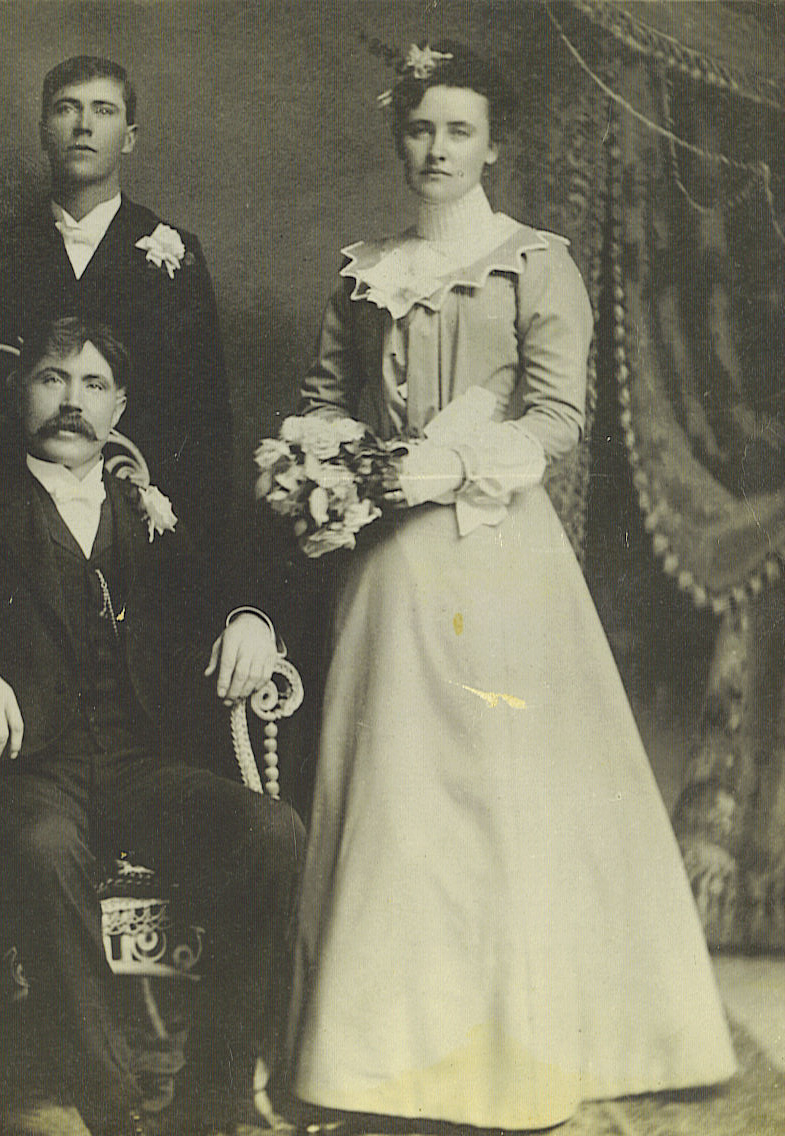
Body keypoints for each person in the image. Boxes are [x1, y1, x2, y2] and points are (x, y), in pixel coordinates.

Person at [277, 41, 737, 1130]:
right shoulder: (364, 271)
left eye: (459, 131)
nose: (436, 150)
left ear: (494, 146)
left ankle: (512, 1047)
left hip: (496, 555)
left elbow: (557, 417)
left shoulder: (537, 262)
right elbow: (325, 396)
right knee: (396, 798)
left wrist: (444, 466)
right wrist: (329, 463)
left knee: (495, 798)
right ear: (399, 139)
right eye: (420, 129)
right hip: (389, 566)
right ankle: (378, 1052)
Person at [0, 317, 305, 1136]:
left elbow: (224, 588)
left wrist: (249, 619)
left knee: (273, 831)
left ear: (119, 409)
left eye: (93, 384)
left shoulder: (147, 514)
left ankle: (212, 1105)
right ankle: (112, 1111)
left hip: (139, 768)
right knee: (43, 849)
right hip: (26, 776)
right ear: (21, 396)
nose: (72, 401)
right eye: (52, 379)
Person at [0, 56, 233, 631]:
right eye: (67, 109)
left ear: (129, 137)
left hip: (139, 524)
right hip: (23, 522)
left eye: (103, 111)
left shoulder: (173, 251)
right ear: (44, 130)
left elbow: (207, 419)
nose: (84, 126)